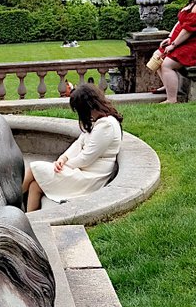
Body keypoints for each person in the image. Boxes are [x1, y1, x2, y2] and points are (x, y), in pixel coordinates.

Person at [22, 84, 122, 212]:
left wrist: (64, 166)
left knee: (34, 168)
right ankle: (30, 219)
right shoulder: (97, 121)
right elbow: (78, 143)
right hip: (82, 171)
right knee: (35, 186)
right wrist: (63, 158)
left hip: (90, 177)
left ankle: (9, 202)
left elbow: (87, 158)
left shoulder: (106, 125)